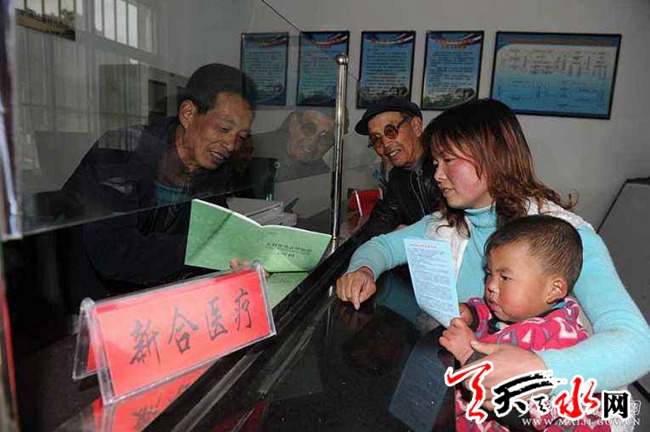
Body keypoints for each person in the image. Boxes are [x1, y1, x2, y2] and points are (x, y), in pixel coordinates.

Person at [336, 98, 650, 404]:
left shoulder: (562, 236)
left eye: (449, 161)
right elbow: (381, 246)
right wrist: (362, 270)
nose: (438, 175)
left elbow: (636, 344)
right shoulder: (445, 224)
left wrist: (540, 371)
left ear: (491, 159)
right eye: (435, 163)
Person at [61, 63, 257, 304]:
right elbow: (114, 253)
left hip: (153, 298)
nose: (231, 145)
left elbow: (214, 234)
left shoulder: (213, 170)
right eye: (224, 128)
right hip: (86, 304)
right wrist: (209, 248)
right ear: (188, 114)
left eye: (241, 137)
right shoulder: (120, 150)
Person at [442, 215, 613, 431]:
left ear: (553, 290)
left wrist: (471, 356)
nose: (491, 285)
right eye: (489, 274)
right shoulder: (513, 308)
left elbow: (524, 413)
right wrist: (472, 314)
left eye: (505, 278)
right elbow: (489, 314)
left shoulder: (561, 342)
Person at [351, 96, 439, 243]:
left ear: (416, 127)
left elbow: (457, 227)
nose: (385, 144)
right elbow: (383, 219)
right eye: (376, 139)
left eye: (390, 131)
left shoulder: (446, 167)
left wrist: (408, 233)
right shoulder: (398, 177)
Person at [251, 108, 335, 182]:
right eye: (309, 128)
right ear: (293, 123)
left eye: (325, 137)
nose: (313, 141)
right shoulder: (253, 149)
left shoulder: (320, 173)